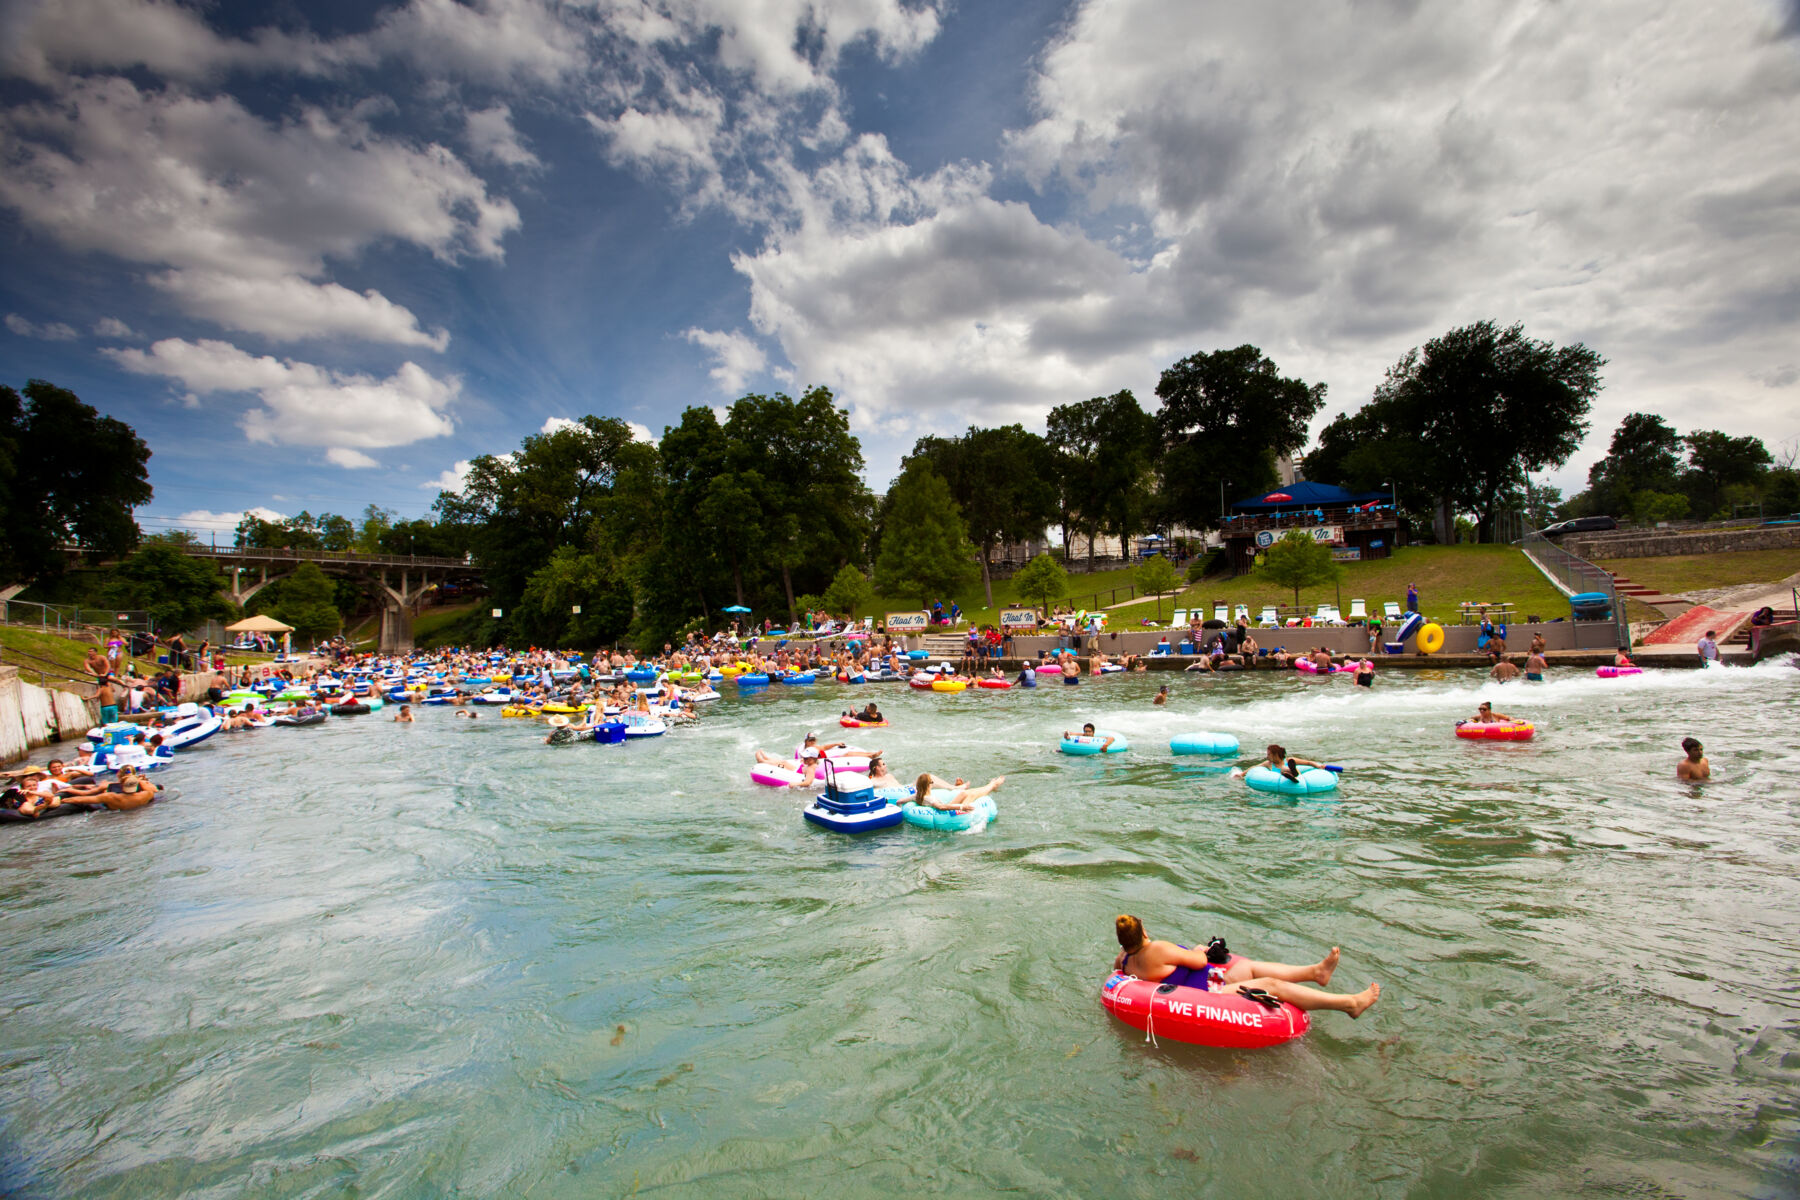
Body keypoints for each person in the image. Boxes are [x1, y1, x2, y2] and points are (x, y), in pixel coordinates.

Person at [1111, 915, 1379, 1018]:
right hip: (1206, 996)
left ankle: (1315, 972)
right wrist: (1197, 950)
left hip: (1205, 983)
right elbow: (1200, 961)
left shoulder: (1123, 960)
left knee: (1249, 969)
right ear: (1143, 931)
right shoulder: (1157, 949)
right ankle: (1349, 1004)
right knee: (1270, 985)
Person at [912, 773, 1004, 813]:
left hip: (948, 807)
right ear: (928, 785)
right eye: (932, 782)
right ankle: (992, 785)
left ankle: (991, 785)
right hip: (948, 813)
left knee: (964, 793)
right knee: (971, 794)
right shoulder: (929, 798)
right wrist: (962, 807)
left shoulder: (916, 796)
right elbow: (941, 807)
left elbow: (903, 800)